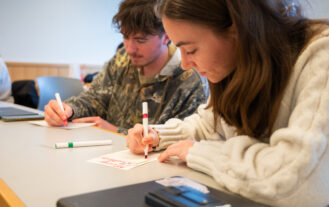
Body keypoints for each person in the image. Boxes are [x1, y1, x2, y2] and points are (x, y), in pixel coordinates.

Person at [126, 0, 329, 206]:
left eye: (191, 50)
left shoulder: (321, 56)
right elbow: (211, 125)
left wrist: (200, 153)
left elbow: (296, 180)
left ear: (236, 30)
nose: (185, 64)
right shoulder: (235, 61)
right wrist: (158, 135)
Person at [44, 0, 207, 134]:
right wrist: (69, 110)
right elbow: (94, 99)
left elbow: (181, 140)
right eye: (125, 37)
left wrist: (117, 132)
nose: (130, 49)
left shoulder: (189, 80)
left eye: (140, 40)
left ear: (167, 37)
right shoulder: (121, 59)